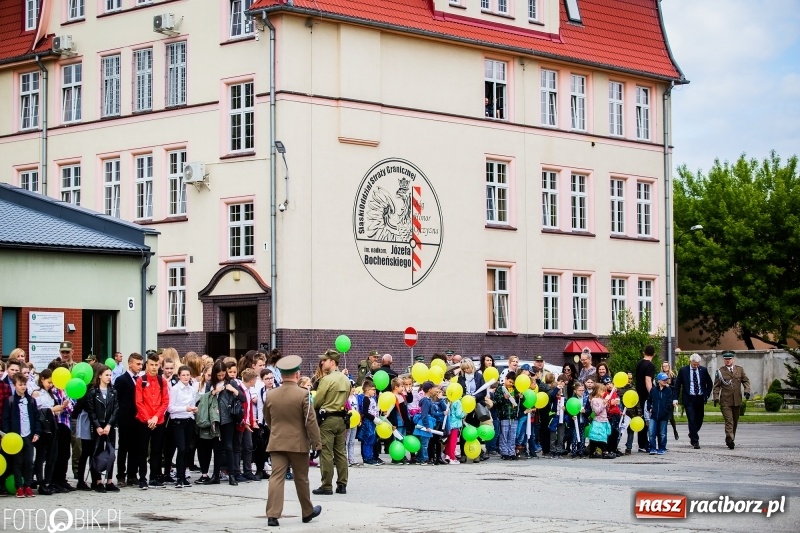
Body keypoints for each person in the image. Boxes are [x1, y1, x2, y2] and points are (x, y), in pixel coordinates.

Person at [263, 355, 322, 527]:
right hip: (298, 443)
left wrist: (276, 431)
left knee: (276, 477)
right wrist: (316, 443)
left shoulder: (271, 394)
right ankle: (307, 511)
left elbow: (268, 418)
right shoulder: (303, 394)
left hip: (277, 441)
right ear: (297, 374)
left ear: (281, 375)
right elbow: (310, 421)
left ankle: (273, 515)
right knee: (301, 478)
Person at [312, 349, 350, 495]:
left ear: (333, 362)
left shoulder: (326, 380)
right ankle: (342, 484)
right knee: (340, 452)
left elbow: (317, 401)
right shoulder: (346, 379)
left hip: (327, 419)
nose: (322, 362)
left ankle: (326, 485)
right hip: (341, 418)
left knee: (326, 452)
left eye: (325, 360)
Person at [135, 352, 170, 489]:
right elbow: (139, 402)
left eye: (156, 365)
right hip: (144, 420)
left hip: (158, 420)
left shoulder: (162, 381)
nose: (154, 367)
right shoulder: (141, 380)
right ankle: (142, 478)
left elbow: (165, 401)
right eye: (151, 365)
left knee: (156, 450)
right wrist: (148, 418)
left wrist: (156, 417)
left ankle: (154, 476)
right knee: (142, 450)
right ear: (147, 365)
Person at [2, 373, 41, 497]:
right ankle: (19, 486)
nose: (23, 387)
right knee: (17, 462)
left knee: (29, 461)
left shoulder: (31, 401)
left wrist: (37, 432)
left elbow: (36, 418)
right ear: (15, 385)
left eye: (24, 384)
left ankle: (28, 485)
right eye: (20, 384)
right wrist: (8, 435)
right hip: (16, 438)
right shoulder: (10, 401)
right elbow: (6, 420)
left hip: (28, 435)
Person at [85, 364, 120, 492]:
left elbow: (116, 409)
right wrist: (98, 426)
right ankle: (98, 481)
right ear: (100, 376)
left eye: (110, 375)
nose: (109, 377)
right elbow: (91, 411)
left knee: (111, 452)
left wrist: (109, 424)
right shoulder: (93, 392)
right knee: (97, 452)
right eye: (106, 375)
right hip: (98, 426)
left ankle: (109, 481)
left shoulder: (113, 391)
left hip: (110, 426)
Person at [712, 351, 751, 450]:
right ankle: (730, 439)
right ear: (724, 360)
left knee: (735, 421)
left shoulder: (739, 370)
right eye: (726, 359)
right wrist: (716, 397)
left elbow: (745, 380)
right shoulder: (720, 372)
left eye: (729, 359)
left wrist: (747, 390)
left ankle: (730, 438)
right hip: (725, 401)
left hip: (737, 400)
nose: (728, 361)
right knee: (729, 421)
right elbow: (716, 386)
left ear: (733, 359)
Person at [32, 369, 62, 495]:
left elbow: (55, 411)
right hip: (42, 426)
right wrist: (52, 409)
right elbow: (38, 411)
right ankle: (40, 481)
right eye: (49, 382)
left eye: (52, 383)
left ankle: (48, 481)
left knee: (52, 455)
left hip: (52, 425)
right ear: (42, 379)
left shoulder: (51, 394)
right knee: (40, 455)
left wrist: (60, 408)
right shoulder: (37, 393)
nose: (51, 385)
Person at [673, 353, 713, 449]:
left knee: (699, 419)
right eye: (694, 364)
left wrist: (706, 394)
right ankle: (695, 441)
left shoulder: (703, 370)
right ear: (690, 362)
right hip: (689, 398)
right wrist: (675, 398)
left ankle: (692, 433)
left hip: (699, 398)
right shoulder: (683, 370)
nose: (696, 366)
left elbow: (709, 383)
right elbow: (677, 386)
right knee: (691, 419)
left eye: (697, 364)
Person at [168, 365, 198, 488]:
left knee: (187, 449)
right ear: (179, 376)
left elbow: (192, 404)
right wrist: (185, 408)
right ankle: (179, 478)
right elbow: (170, 408)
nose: (186, 377)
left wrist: (193, 410)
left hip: (188, 420)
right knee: (181, 449)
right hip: (178, 422)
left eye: (187, 375)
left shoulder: (191, 389)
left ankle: (183, 477)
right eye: (183, 375)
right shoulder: (175, 389)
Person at [115, 353, 142, 487]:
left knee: (135, 448)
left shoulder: (141, 380)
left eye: (141, 364)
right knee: (124, 447)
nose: (140, 366)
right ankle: (121, 475)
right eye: (137, 364)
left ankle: (132, 474)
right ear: (130, 363)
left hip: (138, 418)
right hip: (125, 419)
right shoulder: (122, 379)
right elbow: (117, 399)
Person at [634, 345, 656, 452]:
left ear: (644, 353)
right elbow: (648, 380)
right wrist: (652, 394)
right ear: (654, 354)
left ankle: (641, 444)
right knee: (647, 419)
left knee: (641, 418)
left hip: (638, 394)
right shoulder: (650, 365)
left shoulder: (639, 363)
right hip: (646, 396)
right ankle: (645, 444)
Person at [648, 372, 673, 455]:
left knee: (662, 433)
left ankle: (662, 448)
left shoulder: (668, 390)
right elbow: (649, 400)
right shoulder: (653, 390)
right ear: (659, 381)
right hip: (654, 415)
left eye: (666, 380)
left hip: (664, 416)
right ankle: (652, 447)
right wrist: (650, 408)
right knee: (651, 432)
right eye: (664, 380)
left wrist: (666, 412)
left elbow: (669, 402)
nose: (665, 381)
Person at [661, 361, 679, 441]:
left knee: (670, 416)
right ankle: (662, 433)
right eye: (664, 366)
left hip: (670, 397)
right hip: (662, 397)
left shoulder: (672, 375)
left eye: (666, 366)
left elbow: (675, 387)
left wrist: (669, 386)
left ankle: (675, 430)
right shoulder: (660, 375)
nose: (665, 367)